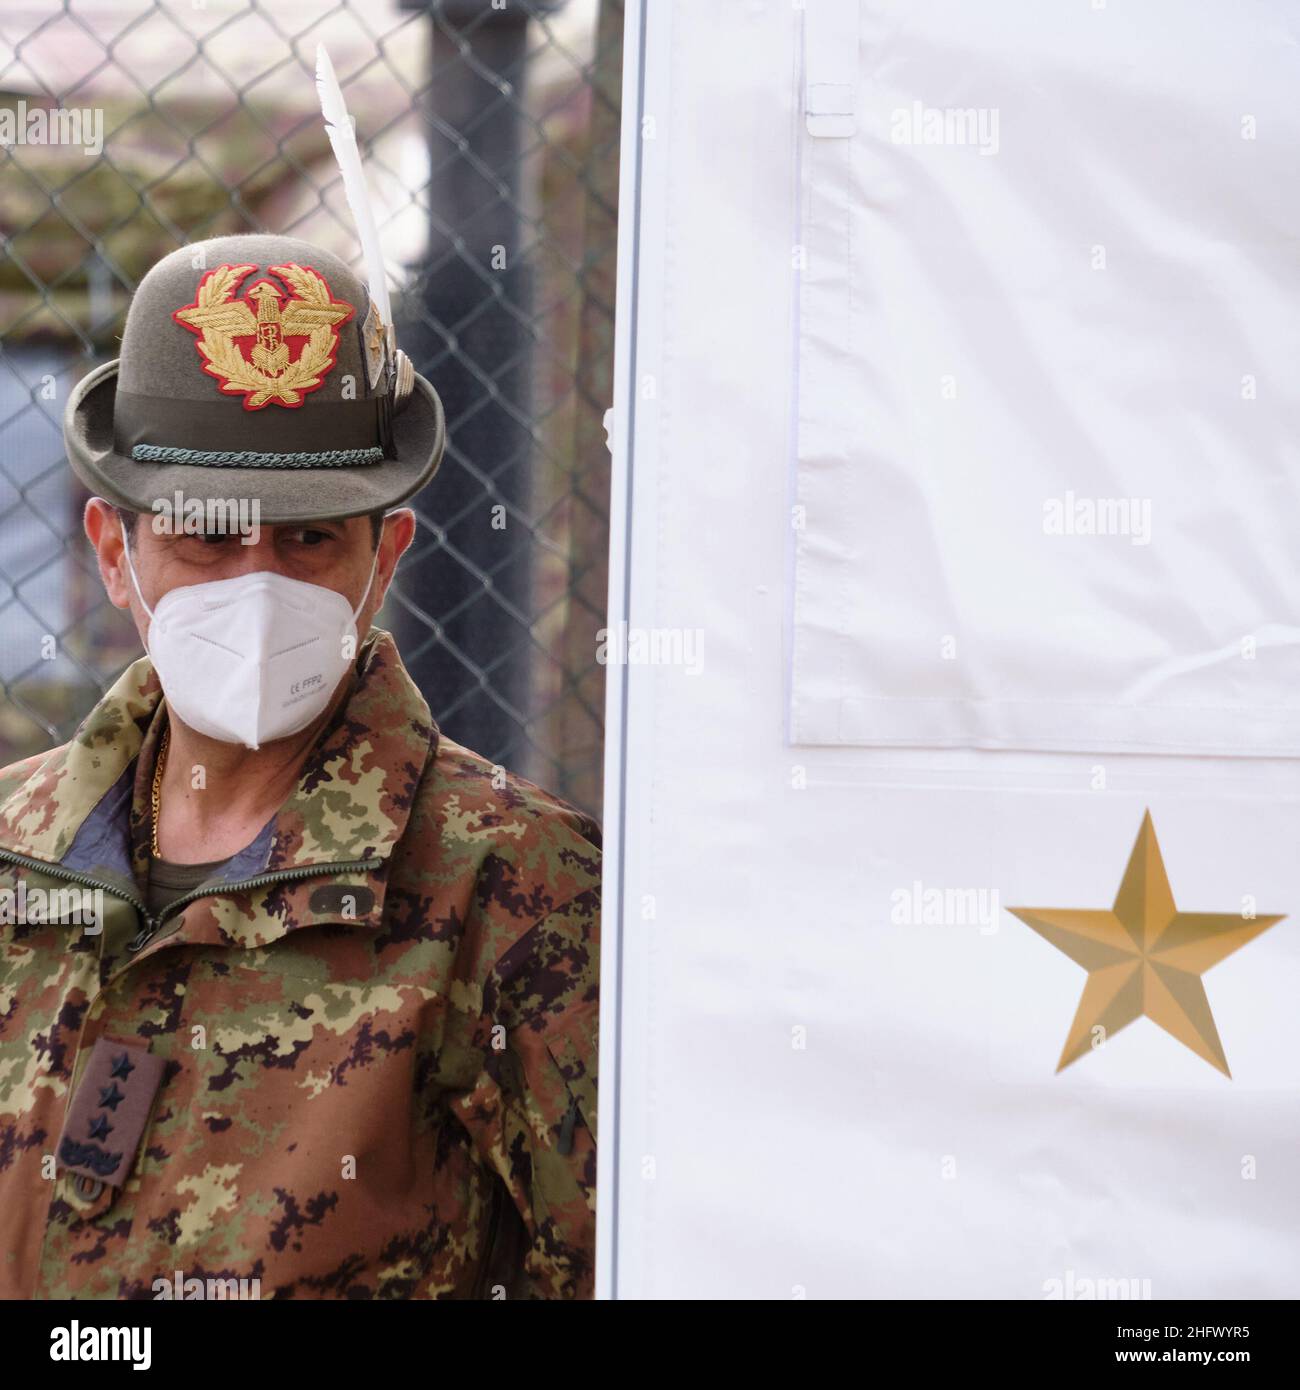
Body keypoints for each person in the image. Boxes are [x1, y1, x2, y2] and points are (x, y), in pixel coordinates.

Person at [0, 234, 600, 1299]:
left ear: (387, 555)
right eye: (207, 539)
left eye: (311, 538)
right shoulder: (14, 849)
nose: (260, 584)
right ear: (111, 550)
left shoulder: (517, 889)